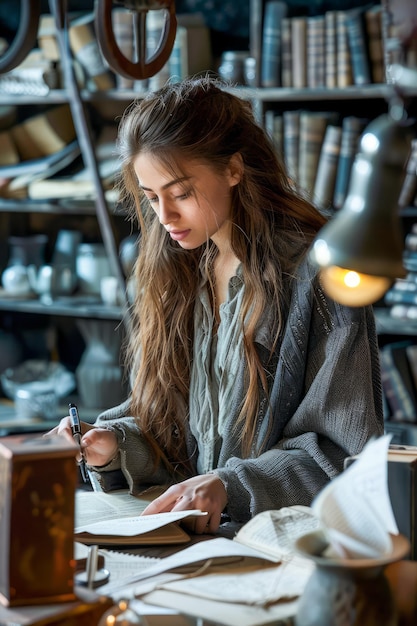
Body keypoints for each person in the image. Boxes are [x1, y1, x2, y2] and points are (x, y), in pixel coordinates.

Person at [49, 76, 384, 533]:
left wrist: (229, 485)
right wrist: (116, 442)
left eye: (181, 193)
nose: (165, 217)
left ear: (233, 168)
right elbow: (182, 437)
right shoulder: (180, 270)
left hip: (283, 546)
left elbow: (343, 454)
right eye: (151, 199)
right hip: (202, 542)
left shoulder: (318, 275)